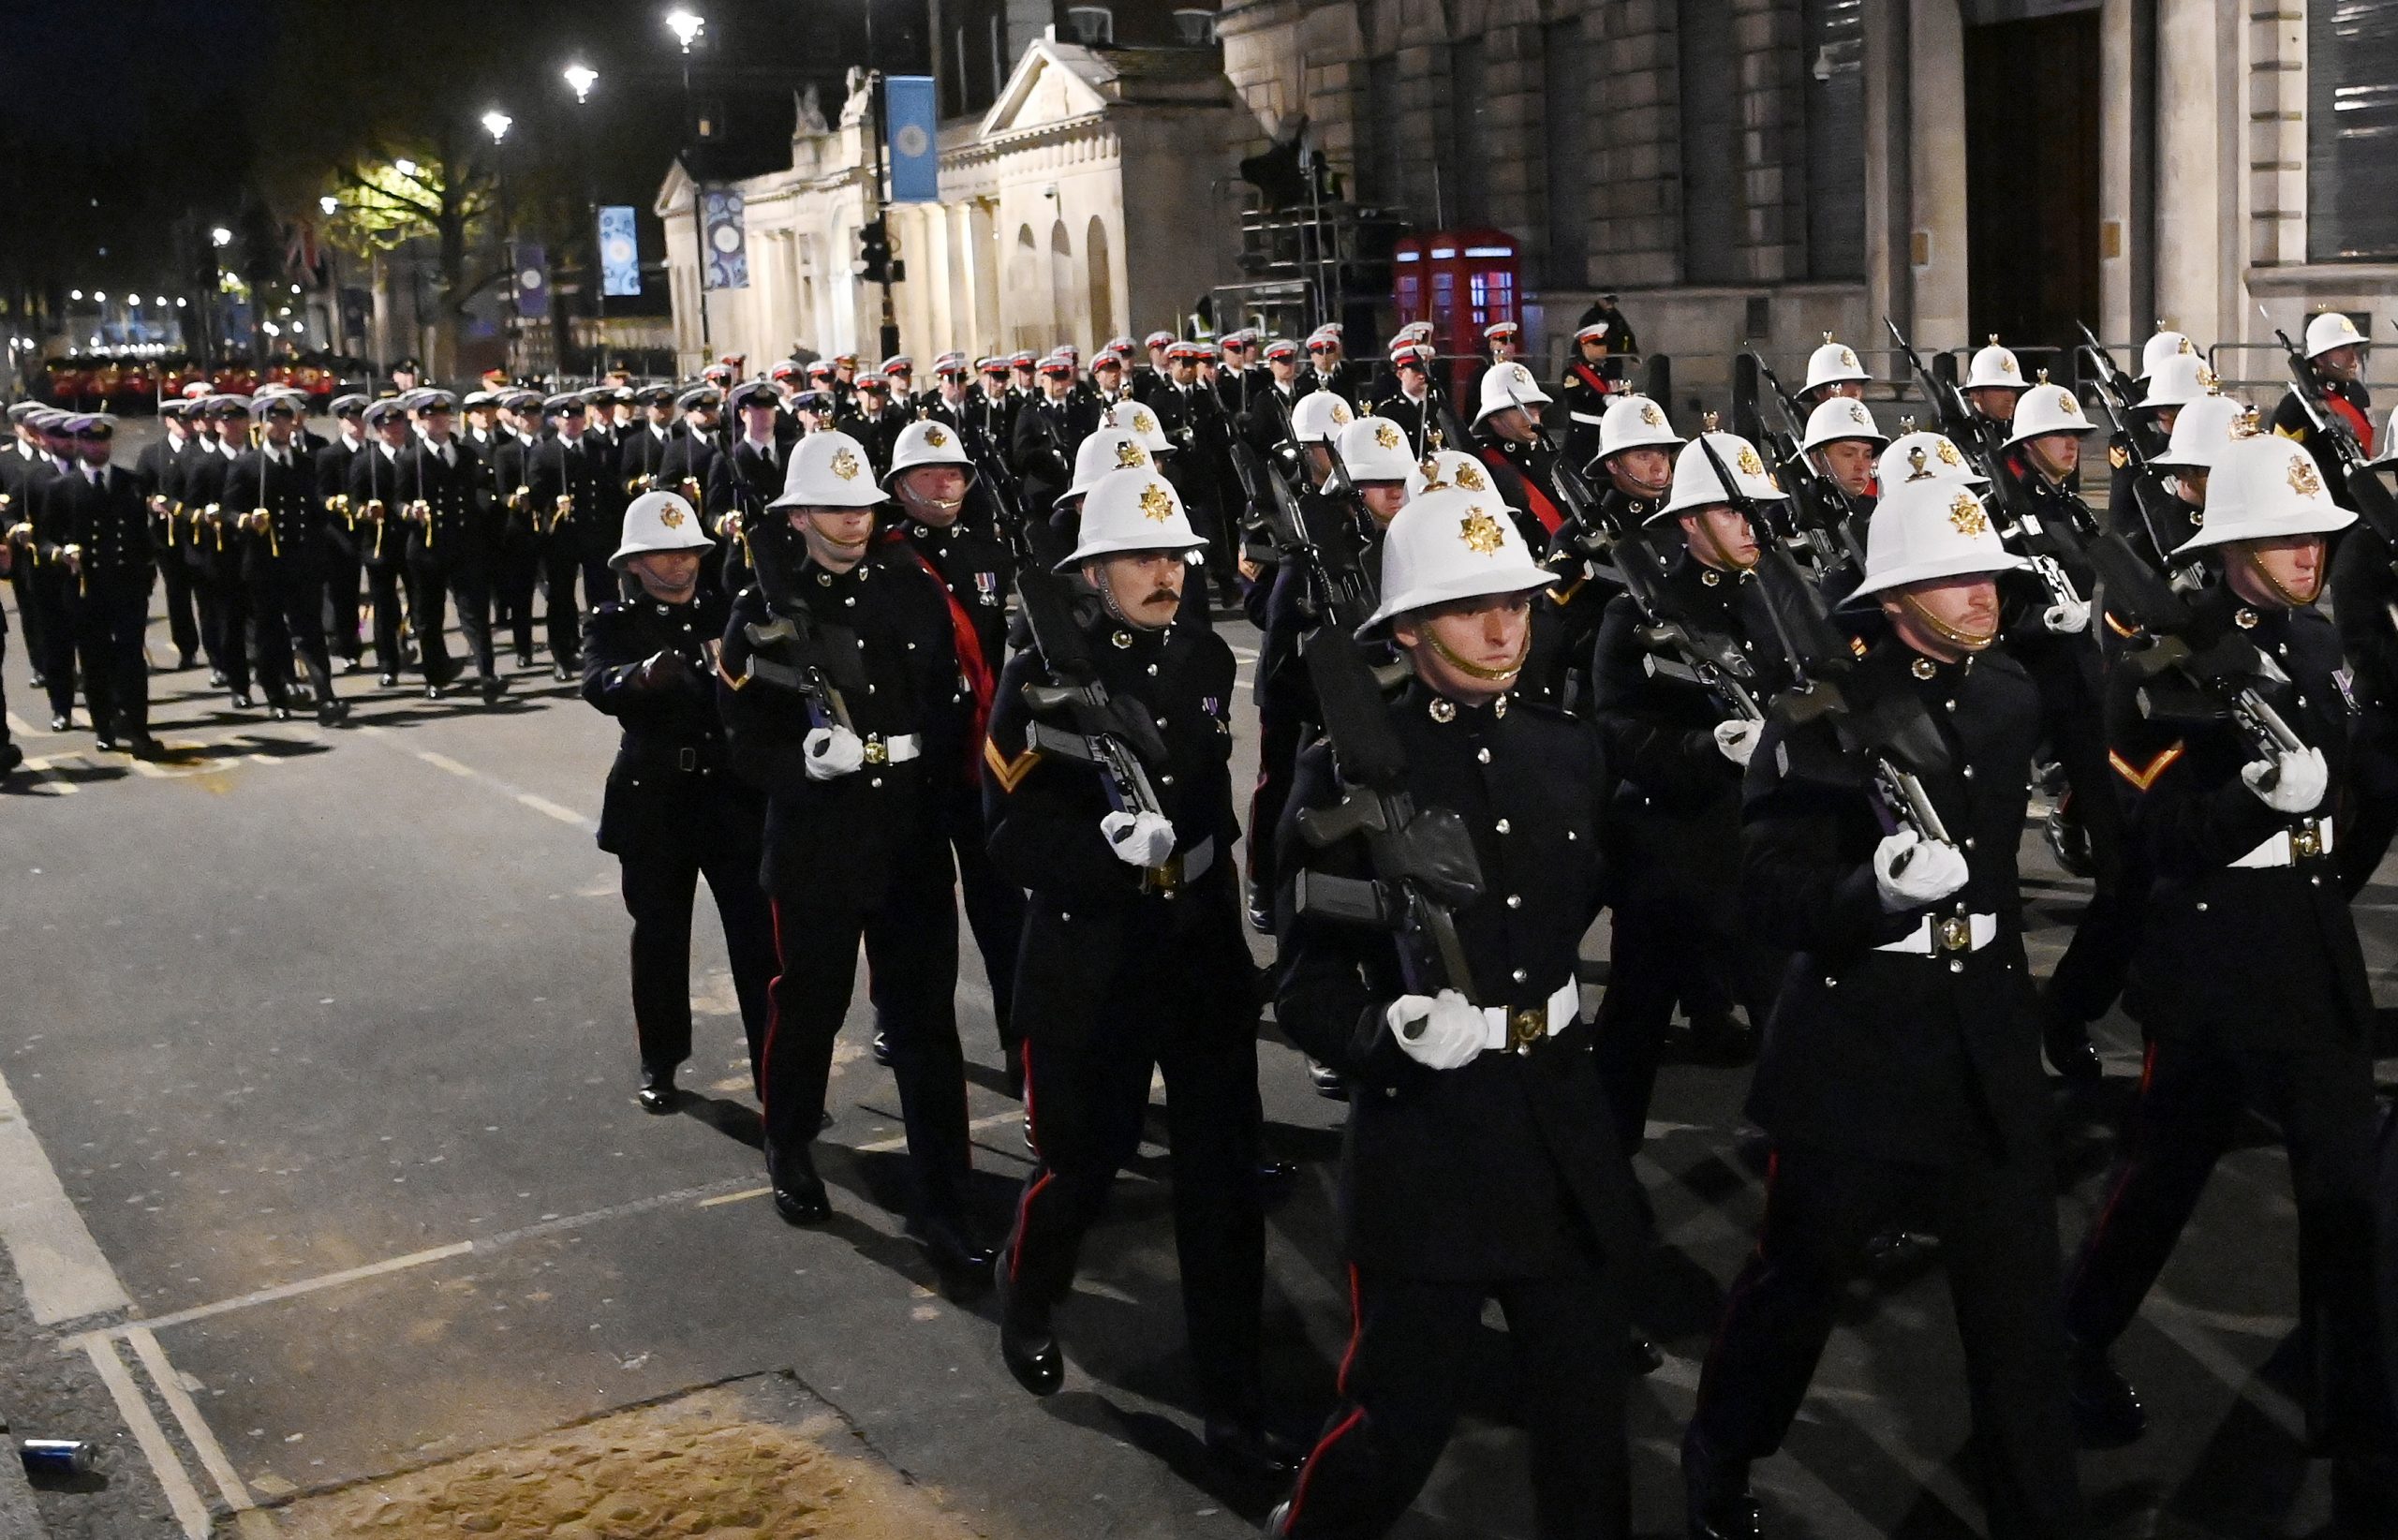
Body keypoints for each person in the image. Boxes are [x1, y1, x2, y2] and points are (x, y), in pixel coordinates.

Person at [1681, 474, 2085, 1540]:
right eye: (1953, 578)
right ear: (1896, 597)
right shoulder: (1820, 714)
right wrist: (1877, 892)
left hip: (1983, 1031)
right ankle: (1721, 1452)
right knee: (1800, 1280)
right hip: (1860, 1034)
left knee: (2017, 1305)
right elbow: (1769, 893)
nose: (1983, 593)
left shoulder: (2006, 694)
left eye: (1987, 574)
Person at [1268, 485, 1641, 1540]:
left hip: (1558, 1121)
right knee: (1398, 1419)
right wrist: (1383, 1034)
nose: (1503, 629)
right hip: (1430, 1139)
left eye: (1515, 604)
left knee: (1586, 1417)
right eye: (1471, 608)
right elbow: (1305, 983)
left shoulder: (1564, 747)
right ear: (1408, 628)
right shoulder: (1344, 771)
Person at [2058, 431, 2397, 1528]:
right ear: (2233, 545)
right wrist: (2257, 803)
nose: (2310, 553)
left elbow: (2352, 775)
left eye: (2318, 535)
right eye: (2286, 536)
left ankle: (2359, 1433)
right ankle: (2070, 1342)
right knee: (2163, 1176)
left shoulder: (2317, 638)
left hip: (2311, 939)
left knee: (2346, 1197)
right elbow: (2153, 837)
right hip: (2213, 954)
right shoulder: (2160, 658)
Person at [984, 466, 1293, 1478]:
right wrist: (1103, 851)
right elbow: (1007, 837)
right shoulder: (1039, 679)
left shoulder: (1200, 653)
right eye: (1144, 558)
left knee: (1222, 1187)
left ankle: (1234, 1403)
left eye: (1177, 557)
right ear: (1092, 571)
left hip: (1195, 951)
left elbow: (1210, 815)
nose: (1168, 574)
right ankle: (1029, 1290)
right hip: (1092, 955)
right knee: (1084, 1163)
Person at [717, 430, 988, 1280]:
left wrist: (949, 810)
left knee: (925, 1023)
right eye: (834, 508)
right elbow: (740, 739)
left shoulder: (912, 589)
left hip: (909, 834)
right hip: (817, 839)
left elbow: (947, 708)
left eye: (864, 507)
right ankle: (789, 1141)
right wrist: (799, 764)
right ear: (798, 516)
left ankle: (945, 1197)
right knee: (810, 1005)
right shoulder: (760, 608)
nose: (855, 521)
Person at [1591, 428, 1796, 1128]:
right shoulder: (1637, 613)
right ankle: (1605, 1161)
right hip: (1673, 844)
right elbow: (1614, 728)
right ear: (1689, 522)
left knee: (1789, 1016)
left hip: (1766, 838)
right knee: (1636, 1018)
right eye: (1734, 511)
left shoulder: (1778, 600)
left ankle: (1798, 1171)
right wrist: (1707, 747)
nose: (1752, 526)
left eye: (1756, 511)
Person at [583, 490, 776, 1114]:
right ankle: (660, 1062)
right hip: (656, 802)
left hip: (731, 798)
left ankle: (777, 1072)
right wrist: (639, 676)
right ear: (634, 564)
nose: (680, 562)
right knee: (661, 939)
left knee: (759, 942)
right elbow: (597, 682)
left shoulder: (729, 610)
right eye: (663, 553)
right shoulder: (614, 621)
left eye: (689, 550)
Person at [879, 420, 1023, 1085]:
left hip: (980, 759)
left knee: (1003, 911)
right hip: (915, 764)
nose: (945, 483)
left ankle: (1023, 1047)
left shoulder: (991, 552)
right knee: (913, 913)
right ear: (899, 486)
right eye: (929, 473)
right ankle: (901, 1019)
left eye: (955, 472)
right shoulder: (885, 559)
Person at [45, 414, 160, 755]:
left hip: (126, 586)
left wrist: (147, 573)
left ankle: (138, 727)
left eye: (103, 441)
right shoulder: (61, 488)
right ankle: (104, 726)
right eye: (91, 441)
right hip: (86, 588)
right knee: (94, 660)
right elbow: (46, 537)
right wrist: (61, 552)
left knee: (131, 660)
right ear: (80, 444)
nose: (98, 447)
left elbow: (142, 535)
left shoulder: (131, 482)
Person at [229, 393, 348, 725]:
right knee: (270, 634)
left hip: (302, 561)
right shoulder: (246, 465)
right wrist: (247, 520)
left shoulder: (306, 463)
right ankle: (276, 695)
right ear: (261, 425)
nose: (279, 426)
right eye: (273, 420)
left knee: (310, 632)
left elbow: (314, 509)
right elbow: (228, 510)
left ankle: (326, 696)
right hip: (265, 564)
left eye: (285, 420)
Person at [396, 391, 506, 705]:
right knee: (429, 616)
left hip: (464, 544)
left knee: (475, 613)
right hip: (428, 548)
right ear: (420, 421)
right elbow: (397, 501)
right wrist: (410, 511)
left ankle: (487, 674)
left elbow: (480, 489)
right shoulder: (411, 459)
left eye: (443, 415)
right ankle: (435, 676)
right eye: (431, 416)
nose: (439, 421)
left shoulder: (465, 454)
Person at [525, 393, 610, 677]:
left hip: (594, 532)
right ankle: (563, 653)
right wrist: (553, 503)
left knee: (600, 594)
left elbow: (607, 488)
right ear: (556, 421)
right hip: (561, 536)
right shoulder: (545, 452)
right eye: (567, 418)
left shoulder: (597, 448)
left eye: (577, 417)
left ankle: (601, 648)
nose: (573, 422)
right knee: (561, 597)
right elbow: (534, 495)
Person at [2271, 310, 2375, 503]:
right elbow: (2280, 462)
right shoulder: (2295, 406)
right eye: (2342, 349)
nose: (2353, 357)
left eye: (2353, 347)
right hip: (2323, 504)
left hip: (2361, 497)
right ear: (2320, 358)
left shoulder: (2358, 394)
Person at [136, 398, 204, 671]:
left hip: (198, 532)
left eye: (189, 420)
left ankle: (220, 650)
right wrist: (151, 504)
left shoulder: (202, 450)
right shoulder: (153, 453)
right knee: (178, 595)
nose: (185, 426)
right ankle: (187, 648)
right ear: (168, 421)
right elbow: (139, 492)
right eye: (179, 421)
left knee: (208, 594)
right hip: (168, 536)